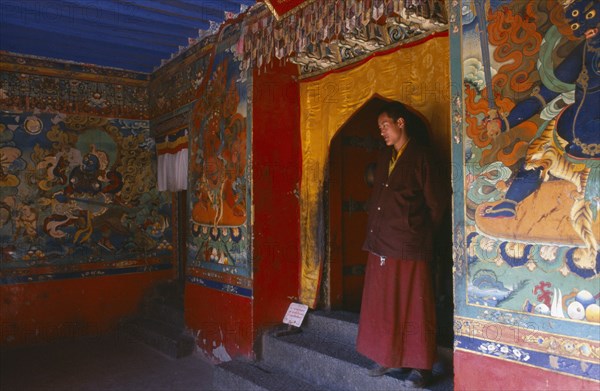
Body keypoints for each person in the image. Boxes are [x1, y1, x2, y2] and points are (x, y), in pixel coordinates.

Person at [357, 101, 447, 388]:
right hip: (382, 243)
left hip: (410, 244)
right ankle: (388, 356)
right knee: (383, 304)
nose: (382, 132)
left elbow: (437, 204)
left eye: (385, 125)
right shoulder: (385, 157)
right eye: (379, 127)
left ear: (400, 123)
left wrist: (417, 233)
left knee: (415, 307)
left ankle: (422, 367)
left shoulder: (421, 157)